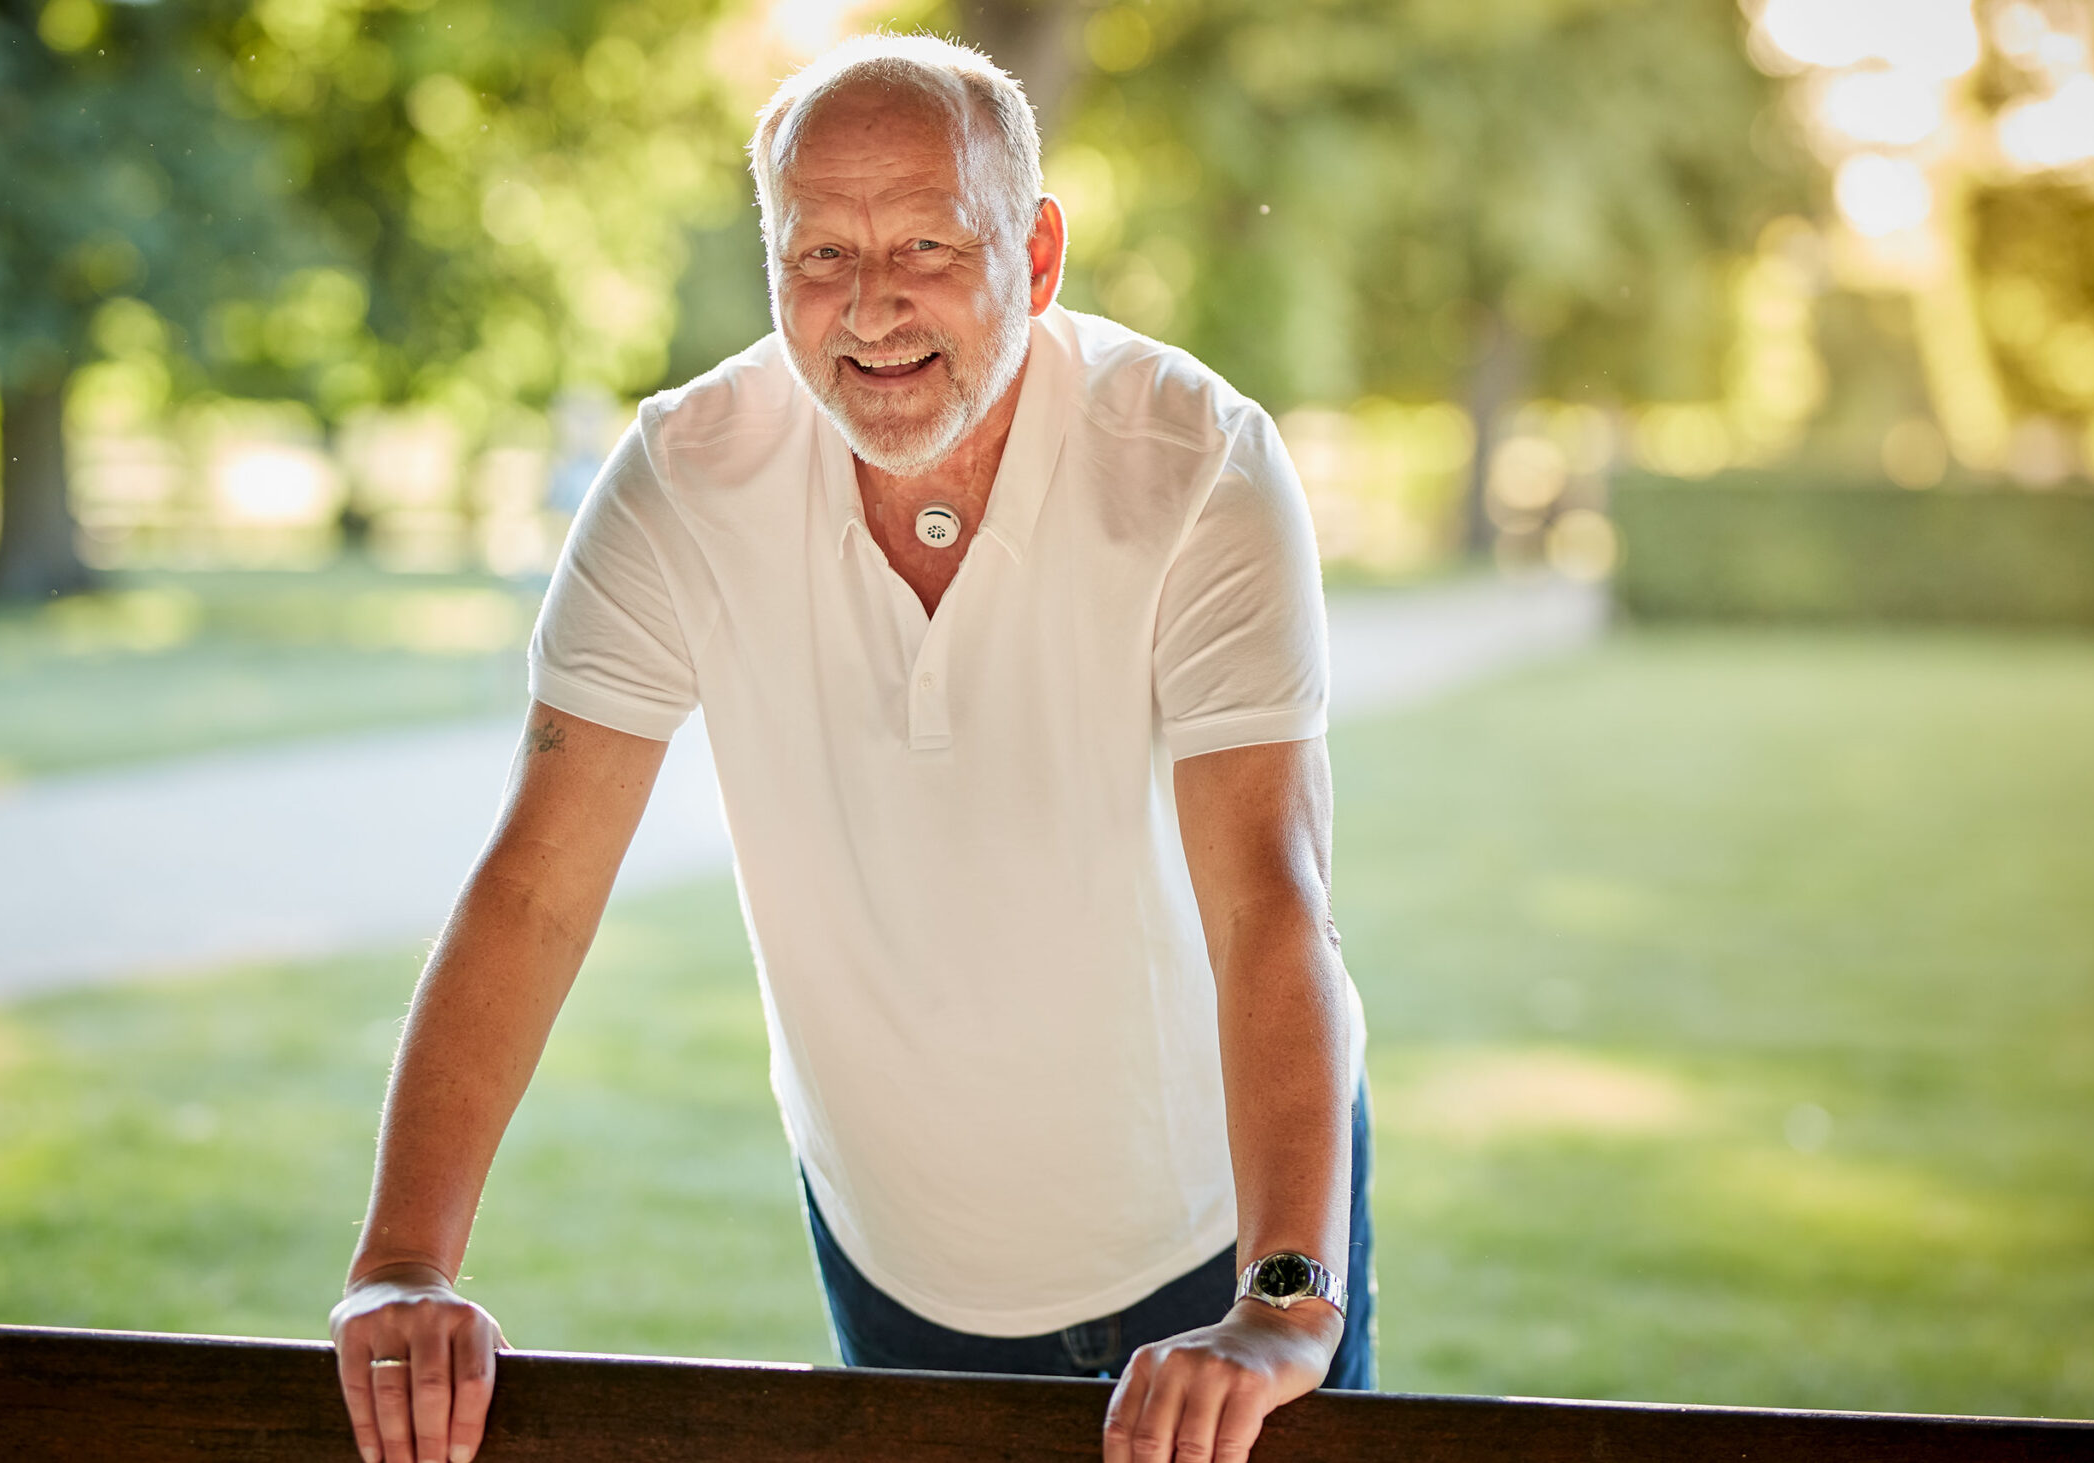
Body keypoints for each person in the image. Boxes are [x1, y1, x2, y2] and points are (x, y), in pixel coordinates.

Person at [328, 33, 1372, 1463]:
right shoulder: (684, 481)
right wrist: (400, 1266)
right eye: (820, 253)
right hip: (896, 1262)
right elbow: (535, 889)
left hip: (1224, 1240)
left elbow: (1269, 902)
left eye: (930, 243)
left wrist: (1284, 1304)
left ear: (1039, 254)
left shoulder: (1196, 464)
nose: (871, 304)